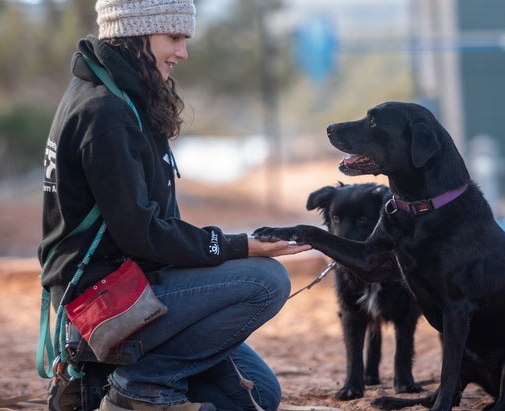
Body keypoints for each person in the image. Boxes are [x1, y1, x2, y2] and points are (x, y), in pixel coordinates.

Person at [38, 0, 311, 410]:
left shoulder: (121, 95)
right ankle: (138, 389)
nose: (182, 53)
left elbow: (148, 230)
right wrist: (238, 245)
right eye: (174, 38)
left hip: (136, 285)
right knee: (266, 280)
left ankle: (118, 386)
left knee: (258, 396)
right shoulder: (105, 112)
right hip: (104, 305)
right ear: (134, 34)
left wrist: (222, 250)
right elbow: (142, 234)